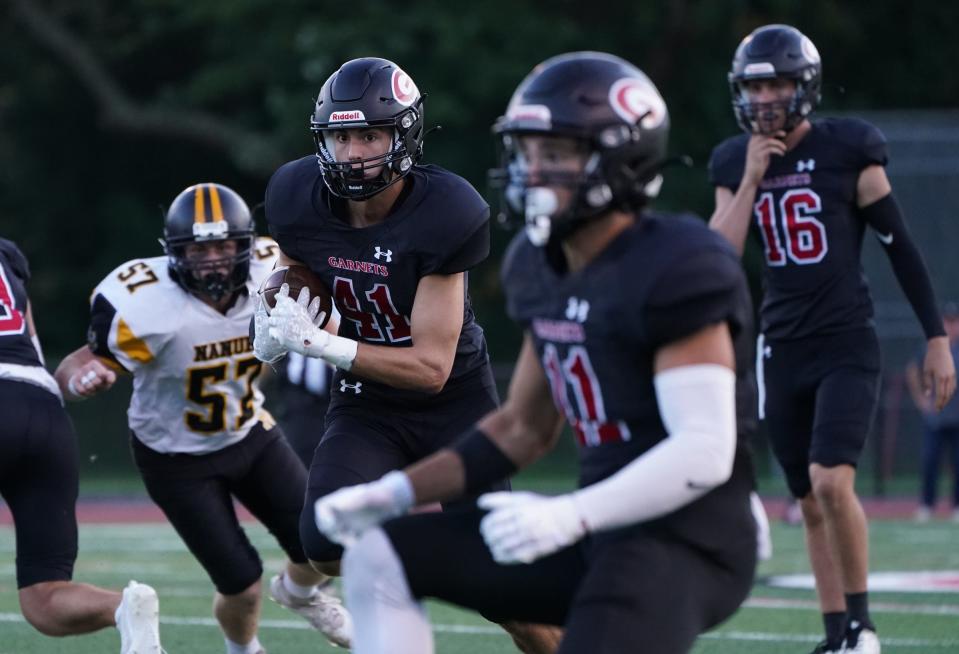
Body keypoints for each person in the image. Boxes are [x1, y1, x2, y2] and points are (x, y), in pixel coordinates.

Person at [310, 51, 759, 654]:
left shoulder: (680, 262)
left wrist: (569, 515)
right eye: (527, 152)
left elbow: (704, 451)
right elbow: (521, 428)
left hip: (687, 539)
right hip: (598, 531)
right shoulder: (536, 264)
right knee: (380, 554)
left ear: (623, 156)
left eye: (557, 154)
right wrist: (392, 496)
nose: (534, 170)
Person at [255, 56, 560, 654]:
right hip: (367, 406)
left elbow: (429, 369)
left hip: (455, 405)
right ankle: (377, 579)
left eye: (370, 134)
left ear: (404, 135)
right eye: (342, 136)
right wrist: (278, 298)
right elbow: (296, 267)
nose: (354, 152)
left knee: (508, 600)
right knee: (323, 539)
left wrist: (319, 343)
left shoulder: (447, 211)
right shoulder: (296, 193)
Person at [708, 24, 957, 654]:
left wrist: (935, 337)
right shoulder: (735, 159)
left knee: (830, 480)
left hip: (846, 339)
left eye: (777, 83)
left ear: (804, 86)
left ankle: (864, 626)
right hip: (781, 347)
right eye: (755, 85)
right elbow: (716, 257)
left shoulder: (848, 150)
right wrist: (749, 182)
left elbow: (900, 249)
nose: (765, 97)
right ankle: (835, 634)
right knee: (807, 499)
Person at [53, 184, 350, 654]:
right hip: (174, 457)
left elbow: (329, 317)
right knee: (242, 582)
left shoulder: (273, 272)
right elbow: (78, 363)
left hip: (249, 430)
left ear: (245, 245)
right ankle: (243, 650)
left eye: (223, 245)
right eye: (199, 249)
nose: (212, 259)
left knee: (323, 543)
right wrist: (80, 381)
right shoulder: (144, 303)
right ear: (175, 253)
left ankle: (299, 592)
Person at [0, 237, 162, 653]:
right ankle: (124, 608)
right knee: (44, 597)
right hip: (41, 406)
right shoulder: (6, 253)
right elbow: (32, 351)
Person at [906, 301, 959, 522]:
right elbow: (912, 370)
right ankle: (927, 505)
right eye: (947, 321)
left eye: (954, 321)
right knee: (930, 461)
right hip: (936, 418)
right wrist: (921, 400)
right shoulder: (933, 347)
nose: (951, 326)